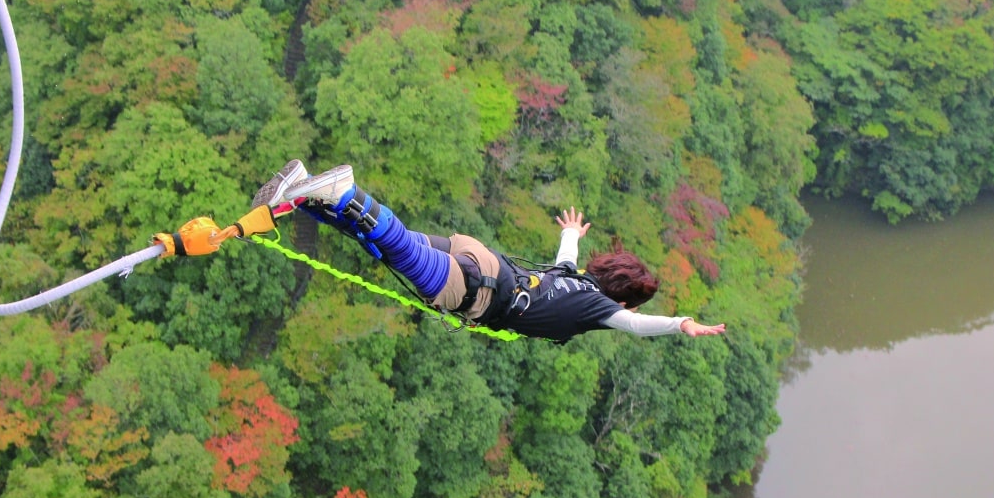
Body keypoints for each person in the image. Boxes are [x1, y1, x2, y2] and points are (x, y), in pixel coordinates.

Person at [254, 161, 726, 342]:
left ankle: (301, 192)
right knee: (395, 247)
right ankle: (341, 192)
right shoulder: (599, 307)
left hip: (483, 259)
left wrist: (572, 234)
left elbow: (563, 258)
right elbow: (637, 326)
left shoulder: (575, 280)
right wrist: (680, 323)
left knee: (385, 240)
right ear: (620, 299)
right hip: (477, 292)